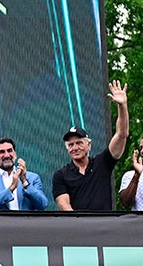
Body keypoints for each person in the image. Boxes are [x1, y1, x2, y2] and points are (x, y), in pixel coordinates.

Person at [52, 80, 129, 211]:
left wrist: (122, 106)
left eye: (79, 143)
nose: (75, 148)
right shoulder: (61, 175)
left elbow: (121, 134)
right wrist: (80, 225)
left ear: (89, 145)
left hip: (105, 227)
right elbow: (63, 204)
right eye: (70, 145)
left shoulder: (102, 163)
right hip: (79, 228)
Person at [0, 137, 49, 210]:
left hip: (27, 221)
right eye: (2, 152)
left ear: (15, 154)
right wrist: (11, 188)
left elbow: (43, 204)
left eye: (9, 151)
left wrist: (25, 182)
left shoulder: (32, 178)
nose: (7, 155)